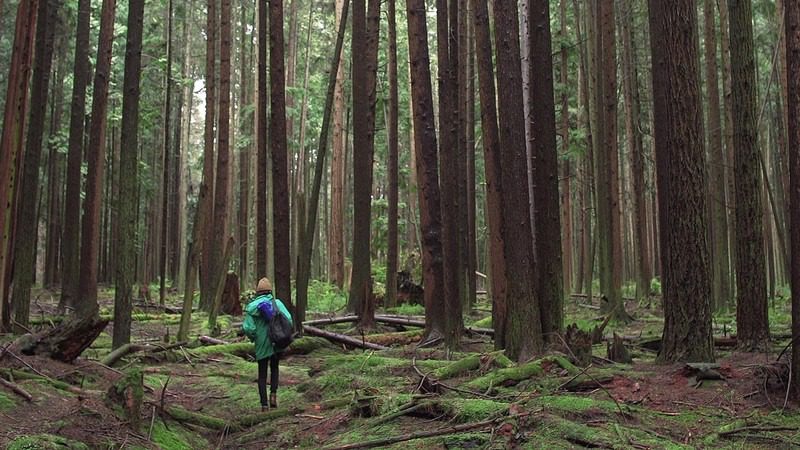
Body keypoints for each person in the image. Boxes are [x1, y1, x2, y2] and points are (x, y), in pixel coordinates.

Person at [242, 277, 293, 410]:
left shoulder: (252, 307)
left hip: (261, 344)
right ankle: (273, 396)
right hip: (276, 341)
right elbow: (289, 320)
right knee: (275, 368)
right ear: (270, 291)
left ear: (258, 292)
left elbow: (248, 328)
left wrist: (254, 337)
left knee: (262, 374)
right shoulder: (277, 303)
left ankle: (264, 405)